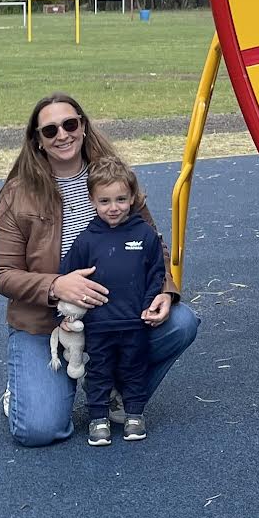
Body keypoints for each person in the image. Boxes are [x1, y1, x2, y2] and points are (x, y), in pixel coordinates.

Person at [0, 92, 198, 445]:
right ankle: (26, 388)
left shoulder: (114, 179)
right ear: (37, 141)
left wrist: (165, 291)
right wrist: (57, 287)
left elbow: (152, 245)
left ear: (83, 126)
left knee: (181, 322)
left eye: (70, 124)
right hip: (47, 326)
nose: (62, 135)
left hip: (121, 317)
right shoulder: (18, 194)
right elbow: (2, 273)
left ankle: (117, 388)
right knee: (38, 430)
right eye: (50, 130)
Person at [59, 169, 167, 444]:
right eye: (104, 201)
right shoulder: (86, 239)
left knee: (134, 369)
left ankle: (134, 414)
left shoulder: (144, 234)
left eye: (121, 199)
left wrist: (149, 305)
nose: (113, 207)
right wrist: (64, 314)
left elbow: (156, 272)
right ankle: (98, 418)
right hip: (98, 325)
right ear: (92, 201)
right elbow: (66, 276)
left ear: (132, 198)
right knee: (99, 371)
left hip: (135, 323)